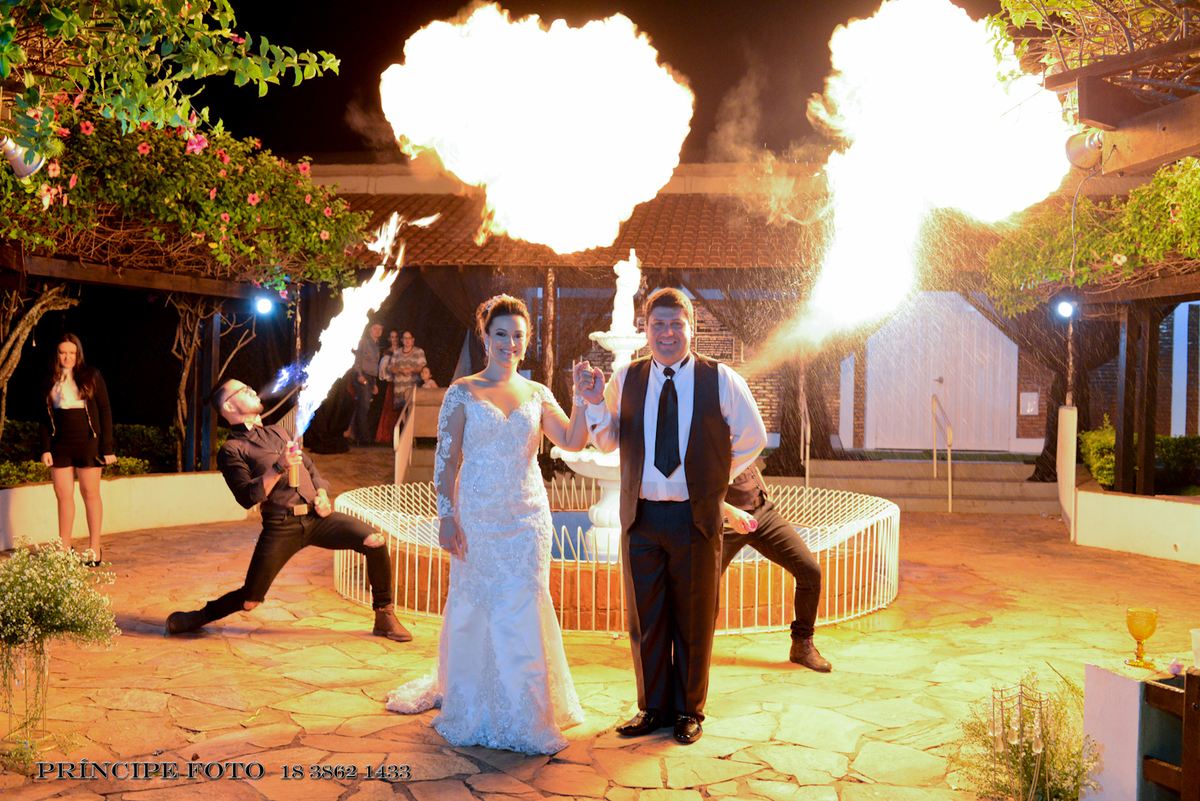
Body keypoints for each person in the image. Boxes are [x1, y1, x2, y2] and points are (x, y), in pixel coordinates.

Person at [385, 294, 592, 755]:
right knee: (476, 604)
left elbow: (573, 440)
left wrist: (581, 398)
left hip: (528, 518)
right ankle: (474, 701)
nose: (509, 343)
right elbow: (446, 462)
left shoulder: (538, 394)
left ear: (527, 339)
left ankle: (526, 711)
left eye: (518, 335)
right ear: (485, 336)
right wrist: (447, 517)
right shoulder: (462, 391)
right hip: (476, 515)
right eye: (501, 334)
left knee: (524, 604)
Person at [578, 288, 766, 745]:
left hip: (693, 518)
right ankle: (653, 708)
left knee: (694, 618)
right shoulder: (626, 378)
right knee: (646, 619)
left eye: (675, 324)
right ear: (645, 330)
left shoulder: (720, 378)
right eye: (657, 324)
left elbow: (753, 437)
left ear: (691, 328)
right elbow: (606, 441)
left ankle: (689, 711)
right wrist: (594, 401)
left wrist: (714, 480)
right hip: (641, 518)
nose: (666, 333)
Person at [165, 379, 413, 642]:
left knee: (375, 541)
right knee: (250, 600)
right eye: (244, 390)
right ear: (228, 406)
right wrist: (278, 467)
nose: (252, 390)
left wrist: (322, 493)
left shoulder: (279, 432)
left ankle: (384, 615)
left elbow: (310, 467)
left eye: (250, 387)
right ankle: (199, 617)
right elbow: (247, 497)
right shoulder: (232, 449)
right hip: (281, 525)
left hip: (316, 517)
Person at [722, 465, 831, 672]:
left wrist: (760, 488)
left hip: (762, 513)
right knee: (702, 591)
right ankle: (691, 655)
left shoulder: (741, 440)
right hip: (726, 521)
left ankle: (802, 645)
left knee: (809, 571)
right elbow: (693, 485)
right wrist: (728, 510)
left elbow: (748, 460)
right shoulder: (700, 442)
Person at [39, 334, 116, 565]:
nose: (67, 357)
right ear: (57, 354)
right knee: (63, 496)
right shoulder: (49, 378)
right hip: (60, 445)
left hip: (89, 443)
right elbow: (44, 418)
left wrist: (107, 447)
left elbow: (105, 410)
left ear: (78, 354)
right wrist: (45, 448)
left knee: (90, 493)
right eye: (63, 352)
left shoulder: (91, 375)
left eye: (72, 353)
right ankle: (64, 547)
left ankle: (94, 549)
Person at [377, 330, 427, 443]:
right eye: (405, 338)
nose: (407, 341)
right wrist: (400, 370)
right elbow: (391, 368)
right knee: (402, 413)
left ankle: (413, 437)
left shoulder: (419, 352)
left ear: (413, 340)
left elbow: (422, 367)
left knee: (412, 412)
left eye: (409, 338)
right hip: (399, 388)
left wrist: (410, 369)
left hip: (412, 387)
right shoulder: (397, 352)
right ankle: (405, 437)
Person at [347, 322, 382, 445]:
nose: (378, 331)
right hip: (363, 375)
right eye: (375, 328)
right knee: (364, 407)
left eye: (380, 329)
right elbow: (357, 359)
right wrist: (359, 375)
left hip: (371, 377)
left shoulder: (377, 344)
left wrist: (374, 383)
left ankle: (357, 436)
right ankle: (364, 438)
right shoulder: (364, 341)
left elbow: (374, 364)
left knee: (364, 407)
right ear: (370, 330)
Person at [375, 330, 402, 443]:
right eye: (392, 337)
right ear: (389, 339)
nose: (394, 339)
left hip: (403, 383)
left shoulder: (403, 350)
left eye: (396, 337)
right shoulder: (387, 353)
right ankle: (387, 435)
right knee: (390, 408)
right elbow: (383, 373)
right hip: (392, 384)